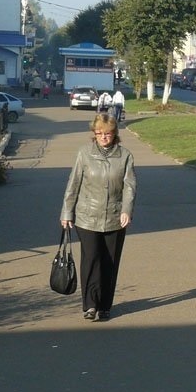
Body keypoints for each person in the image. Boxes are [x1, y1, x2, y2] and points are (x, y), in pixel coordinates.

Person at [60, 113, 137, 322]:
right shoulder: (84, 154)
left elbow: (129, 187)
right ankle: (90, 304)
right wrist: (67, 212)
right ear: (94, 134)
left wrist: (126, 210)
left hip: (114, 217)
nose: (104, 137)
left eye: (108, 133)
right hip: (87, 217)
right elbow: (73, 183)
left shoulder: (125, 156)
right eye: (99, 133)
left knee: (110, 262)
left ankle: (105, 306)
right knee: (91, 259)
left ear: (115, 134)